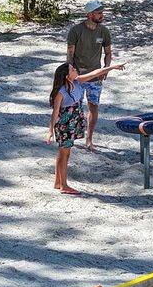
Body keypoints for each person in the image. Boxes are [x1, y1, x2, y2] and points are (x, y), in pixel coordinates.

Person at [47, 60, 125, 194]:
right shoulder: (61, 92)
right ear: (67, 76)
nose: (75, 70)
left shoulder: (77, 81)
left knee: (64, 152)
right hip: (65, 125)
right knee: (64, 153)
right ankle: (64, 185)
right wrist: (50, 131)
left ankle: (58, 182)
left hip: (73, 122)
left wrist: (111, 67)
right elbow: (55, 113)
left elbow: (95, 73)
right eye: (72, 69)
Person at [66, 1, 114, 151]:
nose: (102, 15)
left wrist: (106, 69)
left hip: (95, 76)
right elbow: (70, 54)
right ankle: (71, 137)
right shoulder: (75, 31)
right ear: (89, 14)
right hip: (78, 76)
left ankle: (89, 139)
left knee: (93, 106)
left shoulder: (104, 31)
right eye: (99, 13)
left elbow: (108, 53)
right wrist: (69, 72)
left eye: (102, 13)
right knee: (74, 106)